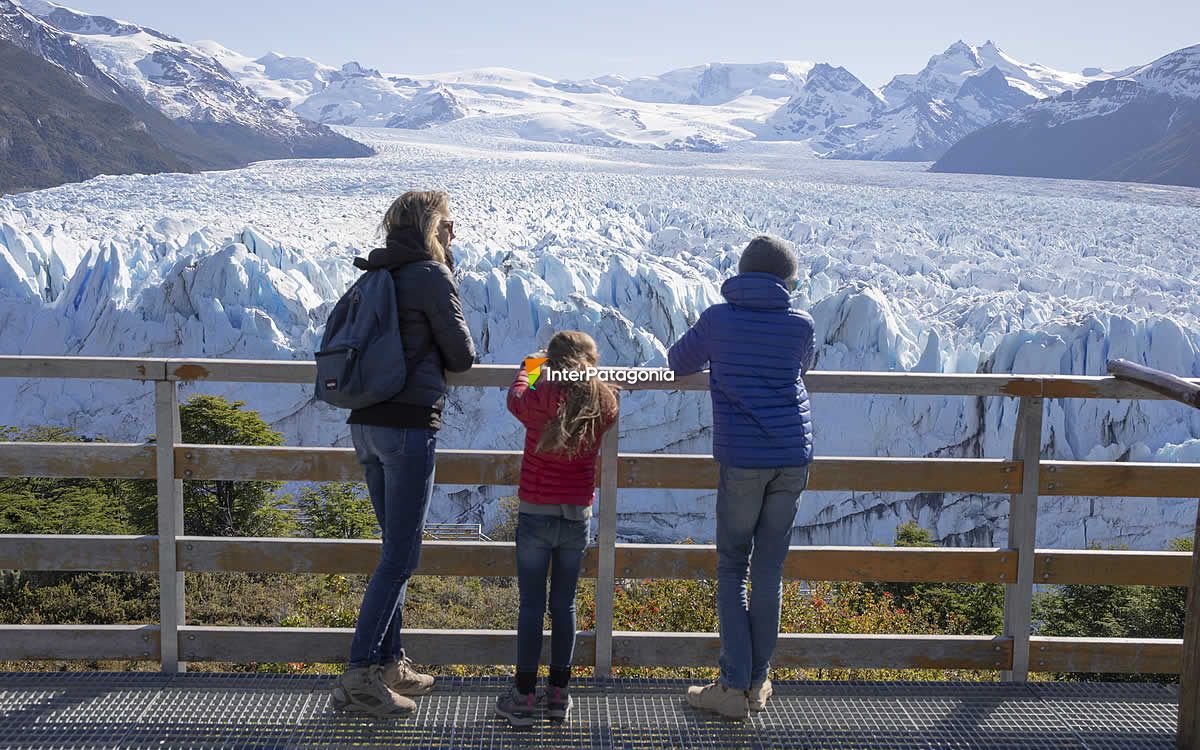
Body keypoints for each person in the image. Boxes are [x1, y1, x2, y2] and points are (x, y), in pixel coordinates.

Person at [331, 190, 476, 718]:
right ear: (431, 229)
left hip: (365, 425)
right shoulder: (431, 277)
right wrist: (447, 272)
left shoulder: (375, 272)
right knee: (401, 557)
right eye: (448, 228)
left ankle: (390, 664)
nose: (453, 236)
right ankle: (359, 676)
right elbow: (462, 356)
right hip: (409, 427)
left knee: (391, 549)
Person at [667, 235, 816, 720]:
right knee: (768, 571)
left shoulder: (718, 319)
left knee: (733, 568)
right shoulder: (800, 324)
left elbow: (677, 362)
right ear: (785, 281)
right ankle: (757, 683)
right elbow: (802, 367)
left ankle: (732, 687)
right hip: (792, 456)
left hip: (744, 459)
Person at [495, 330, 619, 728]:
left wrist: (531, 366)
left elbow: (515, 395)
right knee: (563, 606)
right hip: (576, 517)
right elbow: (604, 397)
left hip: (535, 512)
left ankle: (525, 696)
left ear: (553, 363)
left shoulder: (536, 396)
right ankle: (559, 695)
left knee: (531, 606)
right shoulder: (604, 400)